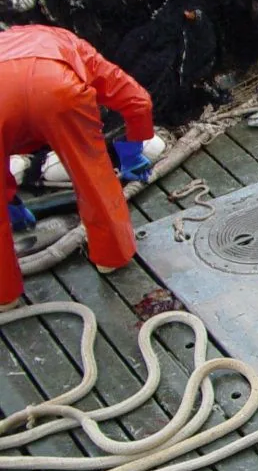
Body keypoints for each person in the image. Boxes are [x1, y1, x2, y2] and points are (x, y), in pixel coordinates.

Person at [1, 25, 155, 311]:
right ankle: (112, 257)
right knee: (92, 174)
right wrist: (132, 152)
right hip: (58, 89)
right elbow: (138, 100)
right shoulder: (70, 42)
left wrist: (8, 198)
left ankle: (3, 295)